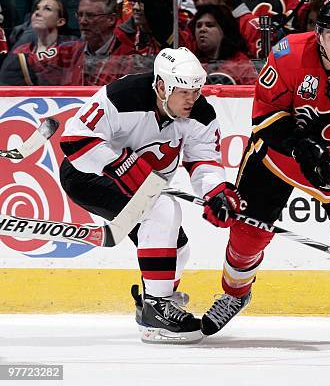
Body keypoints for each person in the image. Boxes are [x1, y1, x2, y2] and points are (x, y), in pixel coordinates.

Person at [200, 0, 330, 341]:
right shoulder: (288, 55)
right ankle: (234, 294)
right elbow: (264, 116)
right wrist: (298, 145)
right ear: (319, 35)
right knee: (248, 233)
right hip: (276, 157)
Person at [59, 47, 240, 344]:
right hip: (88, 176)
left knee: (179, 251)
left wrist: (216, 192)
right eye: (183, 91)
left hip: (143, 186)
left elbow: (203, 161)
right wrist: (122, 165)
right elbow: (75, 141)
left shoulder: (201, 114)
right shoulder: (122, 96)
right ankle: (157, 310)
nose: (192, 99)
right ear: (161, 86)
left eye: (196, 90)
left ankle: (154, 302)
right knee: (162, 209)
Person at [0, 0, 75, 85]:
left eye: (47, 9)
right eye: (37, 9)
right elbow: (7, 86)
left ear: (60, 22)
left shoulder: (74, 48)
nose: (37, 13)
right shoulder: (21, 53)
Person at [190, 5, 257, 84]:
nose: (202, 29)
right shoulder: (189, 63)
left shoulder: (242, 65)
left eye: (209, 25)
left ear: (224, 31)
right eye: (198, 26)